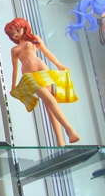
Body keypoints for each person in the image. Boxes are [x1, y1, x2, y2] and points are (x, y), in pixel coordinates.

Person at [5, 17, 79, 146]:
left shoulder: (34, 39)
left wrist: (59, 65)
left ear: (24, 27)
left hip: (42, 70)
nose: (15, 34)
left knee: (50, 106)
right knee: (49, 100)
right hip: (29, 76)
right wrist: (13, 85)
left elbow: (46, 52)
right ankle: (69, 129)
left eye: (17, 30)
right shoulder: (14, 50)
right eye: (12, 34)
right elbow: (14, 68)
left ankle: (60, 141)